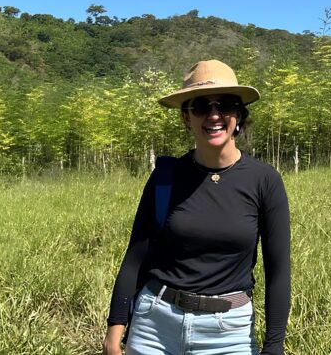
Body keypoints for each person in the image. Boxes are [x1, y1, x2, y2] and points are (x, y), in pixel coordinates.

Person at [103, 60, 291, 355]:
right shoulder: (166, 176)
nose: (214, 115)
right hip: (154, 326)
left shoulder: (264, 181)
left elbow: (278, 271)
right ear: (186, 118)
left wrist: (274, 347)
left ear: (239, 114)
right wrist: (114, 329)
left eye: (225, 105)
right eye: (201, 106)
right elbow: (136, 255)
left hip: (229, 334)